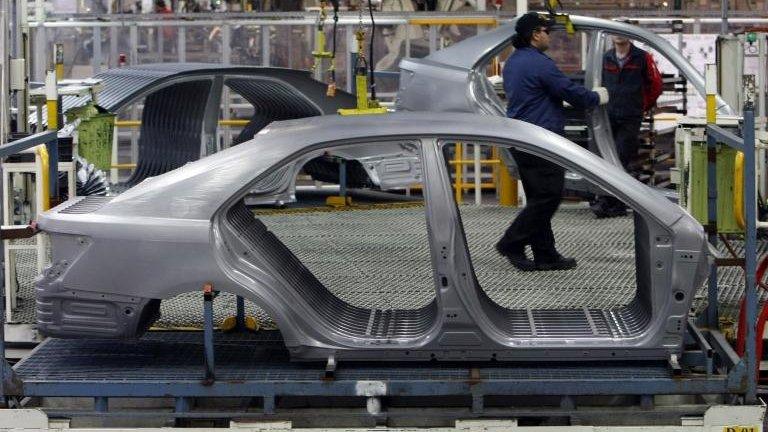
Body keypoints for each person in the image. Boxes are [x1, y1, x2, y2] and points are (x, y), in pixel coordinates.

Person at [495, 12, 608, 271]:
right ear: (536, 34)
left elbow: (539, 93)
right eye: (547, 31)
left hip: (522, 137)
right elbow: (567, 90)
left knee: (538, 197)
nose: (549, 37)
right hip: (540, 140)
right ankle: (511, 242)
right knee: (549, 195)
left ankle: (545, 253)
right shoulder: (538, 63)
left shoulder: (513, 62)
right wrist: (595, 97)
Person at [591, 35, 663, 218]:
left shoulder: (642, 57)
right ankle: (608, 200)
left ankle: (614, 203)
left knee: (621, 158)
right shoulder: (605, 58)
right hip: (608, 116)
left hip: (630, 117)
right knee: (606, 159)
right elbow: (596, 82)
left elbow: (655, 85)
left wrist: (641, 106)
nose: (618, 35)